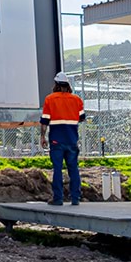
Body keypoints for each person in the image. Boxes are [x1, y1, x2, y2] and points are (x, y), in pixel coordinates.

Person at [40, 72, 85, 206]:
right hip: (71, 139)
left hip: (56, 140)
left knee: (57, 169)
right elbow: (81, 118)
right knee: (73, 168)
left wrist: (42, 136)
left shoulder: (50, 99)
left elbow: (45, 120)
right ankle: (75, 198)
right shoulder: (77, 100)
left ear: (56, 84)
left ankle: (58, 198)